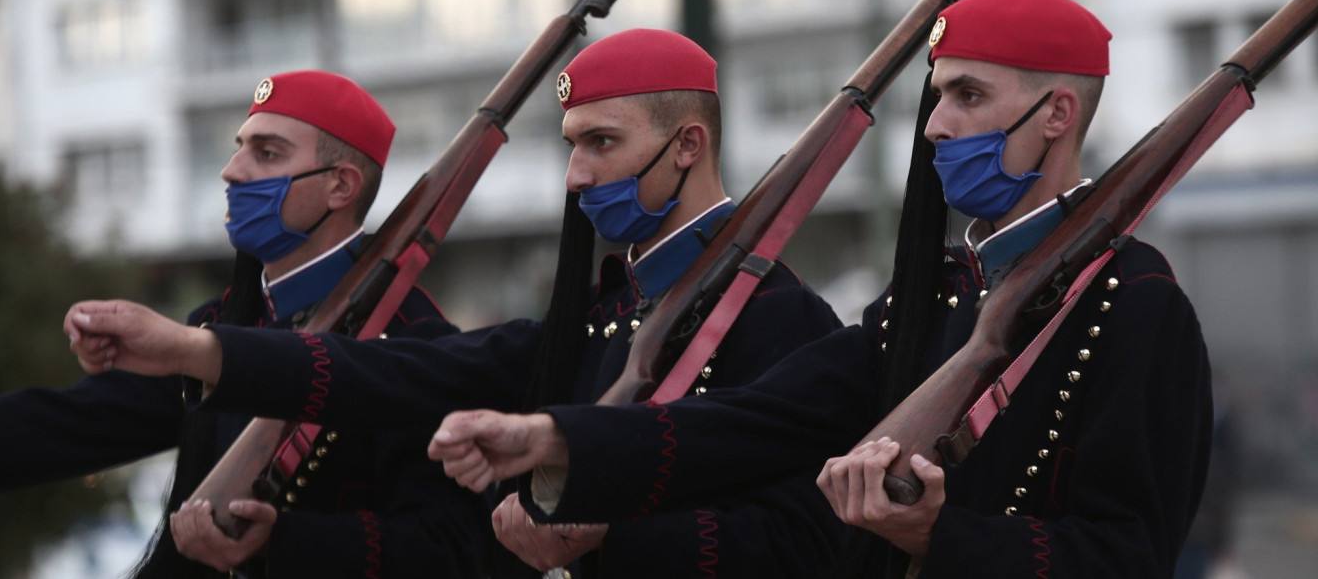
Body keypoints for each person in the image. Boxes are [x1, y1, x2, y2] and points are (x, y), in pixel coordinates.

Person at [426, 0, 1215, 578]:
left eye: (968, 95)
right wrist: (555, 438)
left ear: (1058, 113)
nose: (936, 125)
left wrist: (939, 536)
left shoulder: (1137, 300)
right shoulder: (931, 297)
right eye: (938, 96)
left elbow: (1130, 554)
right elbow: (759, 419)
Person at [65, 29, 855, 578]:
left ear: (689, 145)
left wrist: (612, 541)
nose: (576, 174)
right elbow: (397, 373)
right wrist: (198, 353)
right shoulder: (598, 319)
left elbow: (810, 545)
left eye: (602, 142)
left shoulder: (784, 320)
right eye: (571, 144)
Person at [0, 71, 488, 578]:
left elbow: (447, 548)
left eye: (266, 153)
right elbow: (64, 425)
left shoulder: (415, 342)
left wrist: (280, 544)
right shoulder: (222, 323)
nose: (232, 170)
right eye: (240, 148)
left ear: (340, 186)